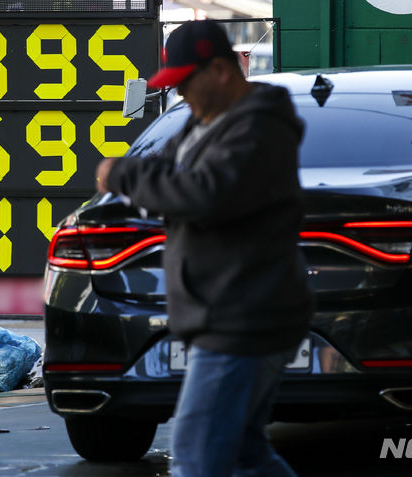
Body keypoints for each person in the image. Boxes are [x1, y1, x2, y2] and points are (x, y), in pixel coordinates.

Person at [95, 20, 313, 477]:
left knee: (195, 458)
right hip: (228, 312)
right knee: (246, 453)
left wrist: (125, 176)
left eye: (184, 82)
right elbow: (169, 178)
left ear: (220, 69)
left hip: (242, 317)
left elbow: (202, 193)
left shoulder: (258, 129)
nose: (180, 95)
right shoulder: (205, 122)